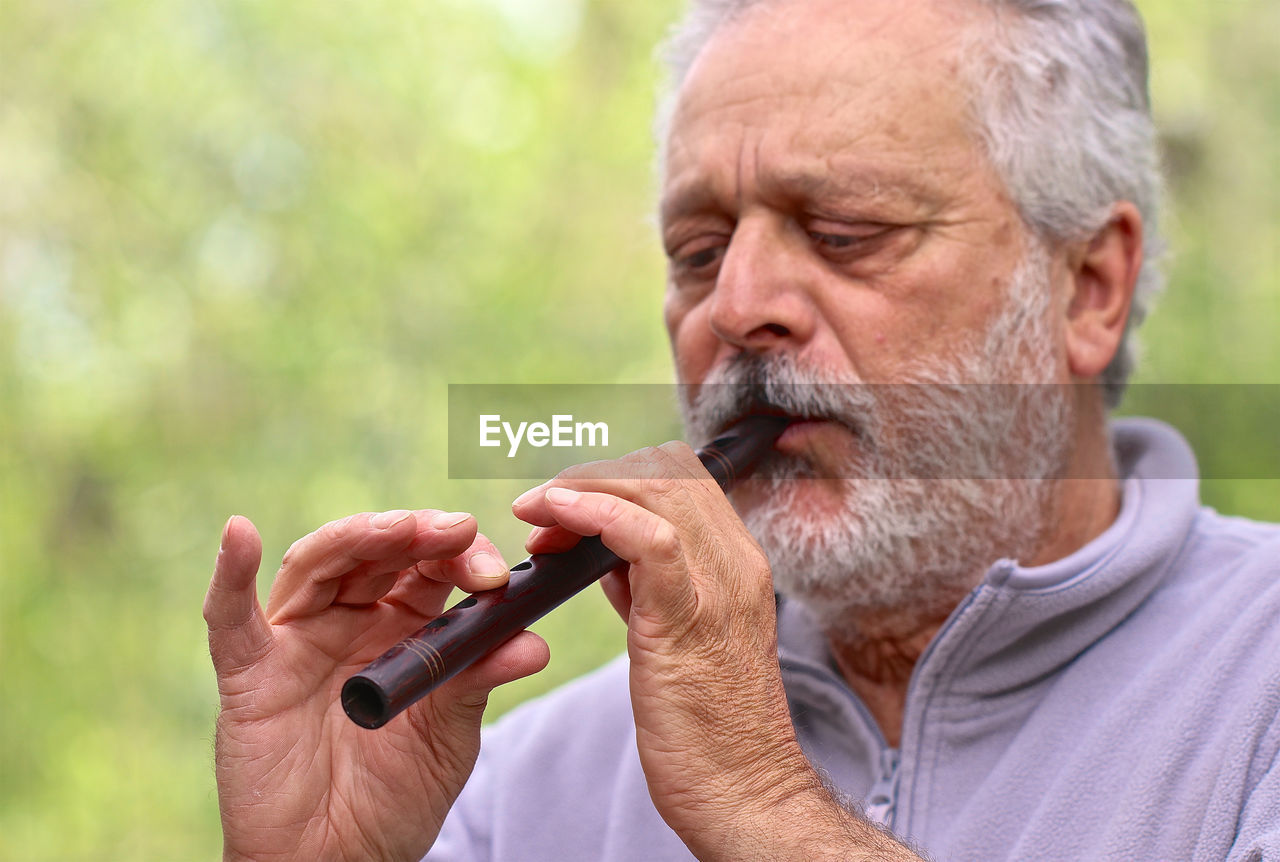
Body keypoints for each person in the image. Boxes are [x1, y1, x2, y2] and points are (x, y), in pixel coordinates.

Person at [204, 0, 1280, 859]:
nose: (737, 304)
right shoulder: (509, 795)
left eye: (846, 231)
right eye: (696, 251)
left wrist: (763, 808)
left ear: (1086, 287)